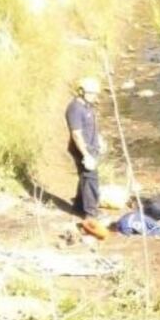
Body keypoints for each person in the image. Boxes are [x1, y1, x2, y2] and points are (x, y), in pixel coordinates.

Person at [65, 77, 107, 224]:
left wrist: (99, 139)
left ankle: (78, 206)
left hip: (92, 147)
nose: (95, 97)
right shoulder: (74, 109)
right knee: (90, 179)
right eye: (92, 93)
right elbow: (76, 134)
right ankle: (91, 213)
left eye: (96, 94)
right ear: (81, 92)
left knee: (85, 177)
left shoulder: (87, 106)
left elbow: (91, 126)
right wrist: (86, 155)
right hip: (83, 150)